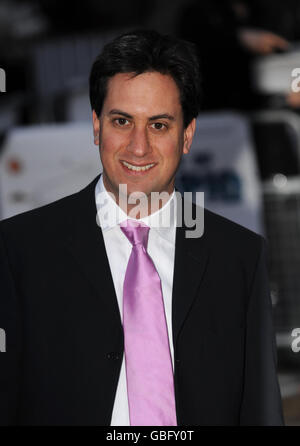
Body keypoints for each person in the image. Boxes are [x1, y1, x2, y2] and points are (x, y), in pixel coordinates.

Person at [0, 29, 283, 426]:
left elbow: (260, 410)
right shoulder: (19, 251)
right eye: (122, 121)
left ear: (187, 135)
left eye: (159, 125)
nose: (138, 147)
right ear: (97, 126)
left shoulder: (239, 256)